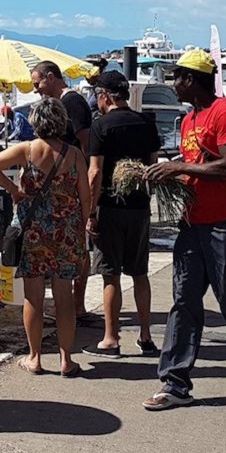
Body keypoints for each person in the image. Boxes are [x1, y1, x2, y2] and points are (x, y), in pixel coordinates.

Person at [143, 50, 226, 410]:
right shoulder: (190, 119)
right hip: (193, 224)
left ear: (191, 79)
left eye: (177, 78)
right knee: (184, 302)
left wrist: (179, 168)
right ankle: (174, 383)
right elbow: (198, 165)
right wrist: (170, 173)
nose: (173, 85)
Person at [0, 97, 90, 377]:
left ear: (35, 122)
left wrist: (14, 190)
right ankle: (66, 360)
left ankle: (35, 358)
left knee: (34, 297)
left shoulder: (27, 150)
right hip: (66, 233)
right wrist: (80, 228)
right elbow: (85, 197)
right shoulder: (74, 154)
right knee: (64, 297)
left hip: (34, 232)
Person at [82, 72, 162, 359]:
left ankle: (111, 338)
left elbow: (95, 173)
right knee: (140, 273)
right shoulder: (146, 122)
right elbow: (153, 165)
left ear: (105, 96)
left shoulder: (101, 125)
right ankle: (146, 336)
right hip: (139, 207)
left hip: (110, 207)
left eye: (97, 96)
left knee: (111, 274)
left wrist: (90, 212)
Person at [30, 61, 93, 321]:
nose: (36, 90)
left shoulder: (73, 102)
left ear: (50, 77)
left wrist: (84, 179)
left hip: (71, 185)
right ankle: (70, 305)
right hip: (61, 187)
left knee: (78, 247)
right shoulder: (59, 103)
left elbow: (86, 142)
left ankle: (76, 304)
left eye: (37, 83)